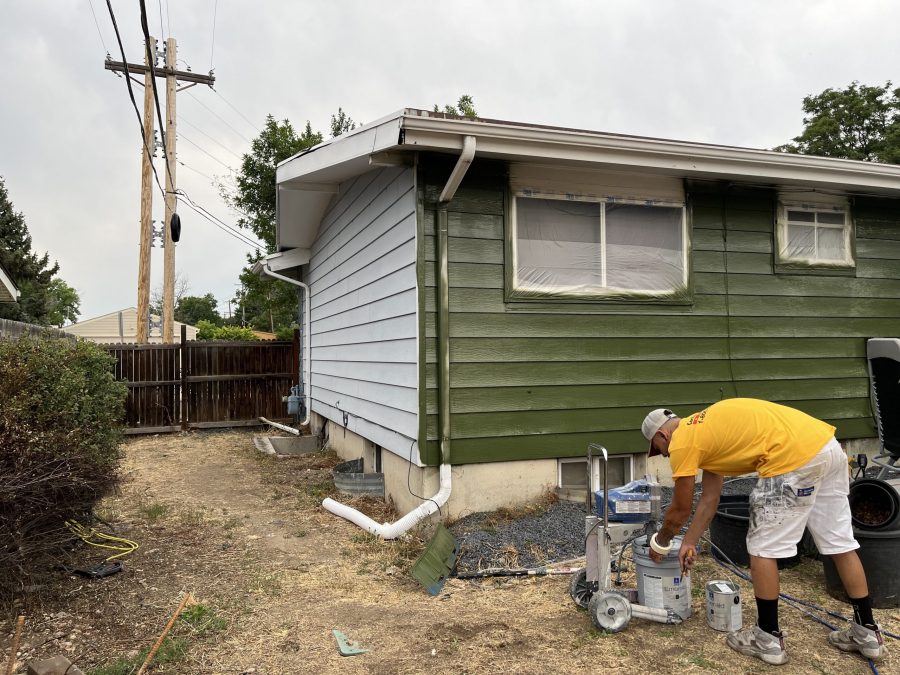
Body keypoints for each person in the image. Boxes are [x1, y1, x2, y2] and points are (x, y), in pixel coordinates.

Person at [641, 398, 886, 666]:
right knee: (839, 542)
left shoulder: (684, 441)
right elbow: (710, 499)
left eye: (659, 449)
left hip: (791, 460)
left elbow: (680, 508)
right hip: (827, 448)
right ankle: (867, 632)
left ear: (662, 435)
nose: (664, 455)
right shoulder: (708, 432)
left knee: (762, 548)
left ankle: (767, 637)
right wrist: (689, 541)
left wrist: (661, 542)